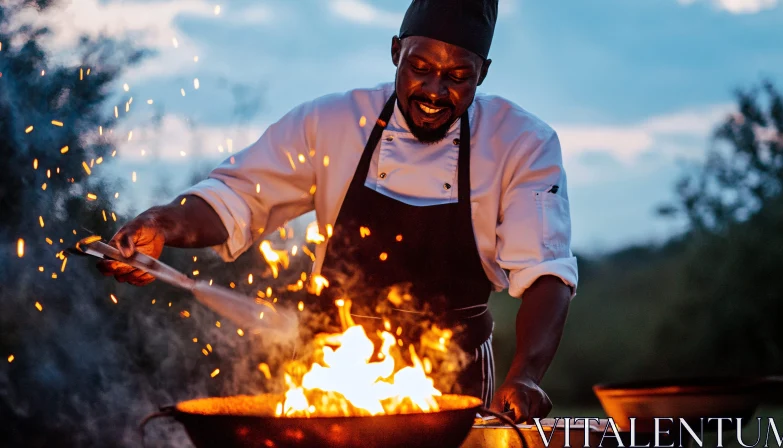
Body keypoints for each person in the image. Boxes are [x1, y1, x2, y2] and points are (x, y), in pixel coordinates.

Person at [97, 0, 578, 422]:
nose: (434, 91)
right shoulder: (332, 122)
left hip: (457, 379)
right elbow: (236, 197)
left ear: (484, 72)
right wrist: (162, 223)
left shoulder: (521, 143)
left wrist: (528, 374)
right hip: (331, 366)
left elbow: (544, 272)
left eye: (458, 77)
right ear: (395, 52)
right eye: (419, 67)